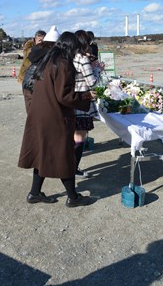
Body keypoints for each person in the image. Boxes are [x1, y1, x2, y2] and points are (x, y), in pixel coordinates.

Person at [18, 31, 94, 208]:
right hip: (54, 116)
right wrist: (86, 96)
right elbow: (64, 95)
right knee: (63, 156)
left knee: (41, 154)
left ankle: (34, 193)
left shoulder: (48, 59)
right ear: (70, 47)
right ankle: (73, 198)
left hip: (39, 114)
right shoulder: (63, 63)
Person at [73, 30, 104, 178]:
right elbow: (92, 83)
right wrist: (97, 69)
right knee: (79, 138)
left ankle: (71, 167)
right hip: (83, 102)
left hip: (71, 100)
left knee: (72, 136)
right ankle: (73, 169)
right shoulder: (82, 59)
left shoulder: (70, 57)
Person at [22, 25, 61, 112]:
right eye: (39, 39)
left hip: (28, 83)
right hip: (35, 83)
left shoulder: (36, 50)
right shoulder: (49, 52)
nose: (41, 41)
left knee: (32, 112)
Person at [17, 29, 46, 112]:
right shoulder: (29, 46)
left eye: (43, 40)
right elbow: (28, 53)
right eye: (40, 40)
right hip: (26, 76)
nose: (41, 42)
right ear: (35, 39)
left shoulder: (43, 47)